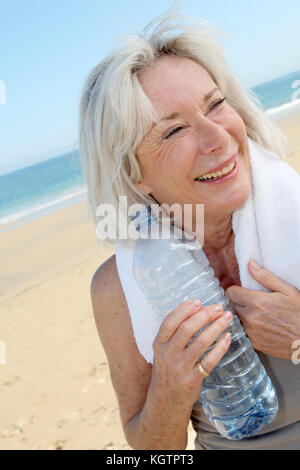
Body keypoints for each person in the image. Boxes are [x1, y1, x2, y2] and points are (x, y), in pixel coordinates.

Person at [78, 11, 300, 450]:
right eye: (175, 129)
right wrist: (169, 390)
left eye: (216, 104)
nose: (217, 136)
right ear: (133, 172)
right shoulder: (118, 289)